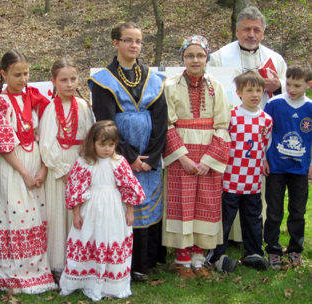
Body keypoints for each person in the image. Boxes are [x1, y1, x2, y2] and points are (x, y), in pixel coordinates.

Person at [88, 22, 167, 282]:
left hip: (149, 156)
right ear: (115, 43)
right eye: (128, 40)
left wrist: (152, 158)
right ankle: (125, 264)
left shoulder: (152, 79)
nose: (134, 45)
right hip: (120, 154)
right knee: (124, 205)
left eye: (138, 41)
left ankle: (147, 262)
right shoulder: (104, 80)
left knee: (147, 203)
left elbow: (161, 120)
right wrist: (130, 157)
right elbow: (106, 123)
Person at [0, 49, 57, 294]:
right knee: (18, 215)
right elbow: (4, 146)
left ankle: (39, 269)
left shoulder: (33, 98)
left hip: (35, 159)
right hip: (13, 164)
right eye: (17, 74)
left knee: (38, 215)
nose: (24, 79)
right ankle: (16, 271)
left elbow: (44, 134)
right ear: (4, 74)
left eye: (26, 73)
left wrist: (43, 168)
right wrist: (25, 173)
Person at [162, 35, 231, 278]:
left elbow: (223, 125)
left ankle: (198, 259)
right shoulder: (171, 85)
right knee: (183, 204)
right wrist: (183, 157)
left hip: (207, 157)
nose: (195, 59)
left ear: (207, 58)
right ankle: (182, 261)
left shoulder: (216, 86)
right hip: (182, 156)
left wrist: (209, 161)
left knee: (205, 204)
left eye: (200, 55)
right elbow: (167, 125)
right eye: (190, 55)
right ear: (182, 57)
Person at [59, 120, 145, 302]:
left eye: (111, 145)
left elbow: (129, 188)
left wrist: (130, 212)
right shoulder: (84, 163)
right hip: (91, 209)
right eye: (102, 144)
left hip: (114, 208)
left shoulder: (119, 162)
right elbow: (76, 189)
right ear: (93, 143)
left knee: (112, 239)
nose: (107, 149)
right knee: (90, 238)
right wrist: (76, 214)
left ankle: (111, 283)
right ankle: (87, 280)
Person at [208, 71, 272, 272]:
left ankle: (254, 253)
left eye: (259, 90)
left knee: (253, 218)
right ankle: (217, 255)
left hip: (253, 180)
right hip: (230, 179)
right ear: (238, 93)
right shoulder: (231, 116)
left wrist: (264, 160)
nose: (255, 94)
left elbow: (265, 145)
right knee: (225, 220)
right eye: (249, 90)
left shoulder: (266, 119)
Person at [39, 58, 94, 282]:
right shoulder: (51, 108)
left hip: (80, 162)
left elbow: (90, 136)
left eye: (73, 79)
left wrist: (86, 165)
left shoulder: (83, 106)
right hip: (59, 166)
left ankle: (80, 261)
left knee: (79, 213)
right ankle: (58, 263)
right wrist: (62, 170)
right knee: (59, 212)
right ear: (53, 82)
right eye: (64, 80)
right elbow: (46, 143)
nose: (69, 84)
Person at [263, 62, 312, 269]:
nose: (291, 90)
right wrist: (263, 158)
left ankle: (294, 250)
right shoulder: (274, 104)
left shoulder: (310, 107)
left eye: (297, 86)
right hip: (275, 167)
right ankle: (273, 250)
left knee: (297, 211)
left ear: (308, 85)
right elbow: (263, 133)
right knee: (274, 211)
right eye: (289, 84)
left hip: (300, 168)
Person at [208, 6, 287, 110]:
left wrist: (279, 87)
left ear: (262, 34)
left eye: (257, 30)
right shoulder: (218, 58)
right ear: (237, 31)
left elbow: (294, 88)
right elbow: (208, 91)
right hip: (231, 120)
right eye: (246, 29)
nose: (251, 34)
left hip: (267, 119)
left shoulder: (276, 59)